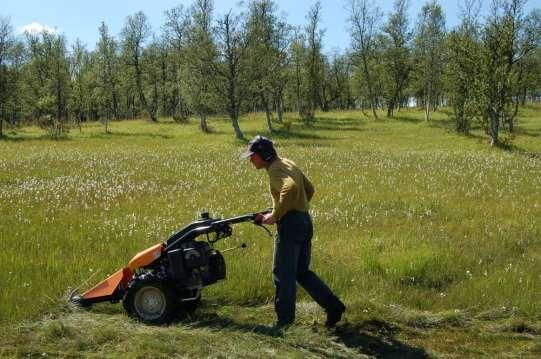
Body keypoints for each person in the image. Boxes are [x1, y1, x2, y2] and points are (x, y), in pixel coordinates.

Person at [241, 135, 346, 329]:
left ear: (263, 155)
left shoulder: (274, 170)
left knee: (282, 273)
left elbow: (289, 189)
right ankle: (334, 307)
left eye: (252, 156)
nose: (250, 160)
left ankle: (284, 322)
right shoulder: (287, 162)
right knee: (301, 272)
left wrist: (275, 216)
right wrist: (295, 207)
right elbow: (309, 189)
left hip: (290, 225)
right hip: (304, 221)